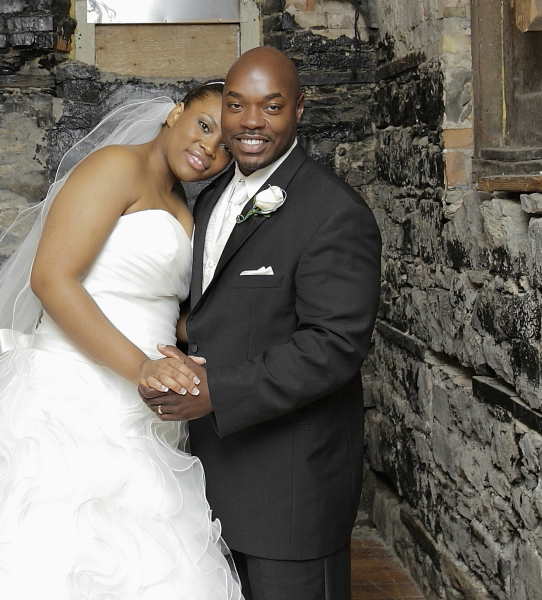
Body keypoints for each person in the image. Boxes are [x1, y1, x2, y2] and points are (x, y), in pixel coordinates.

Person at [0, 85, 243, 599]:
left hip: (144, 410)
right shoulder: (116, 166)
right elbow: (52, 279)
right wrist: (141, 368)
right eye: (204, 126)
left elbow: (160, 306)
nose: (210, 149)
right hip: (71, 395)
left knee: (136, 558)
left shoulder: (182, 204)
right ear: (174, 114)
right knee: (42, 551)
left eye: (227, 146)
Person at [141, 47, 382, 600]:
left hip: (290, 491)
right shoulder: (209, 199)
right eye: (236, 105)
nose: (251, 122)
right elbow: (220, 311)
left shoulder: (334, 212)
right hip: (209, 480)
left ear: (299, 108)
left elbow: (334, 345)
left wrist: (217, 391)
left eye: (271, 107)